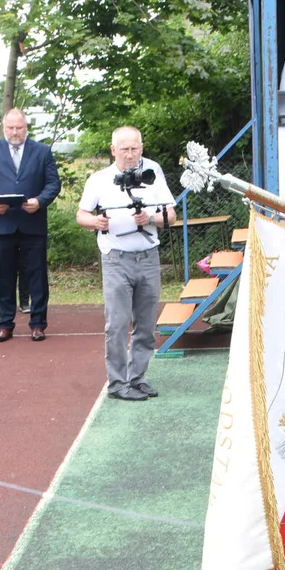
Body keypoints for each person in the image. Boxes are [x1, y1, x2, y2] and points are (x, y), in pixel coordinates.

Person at [77, 126, 176, 401]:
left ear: (141, 148)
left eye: (135, 148)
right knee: (118, 324)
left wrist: (151, 219)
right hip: (116, 259)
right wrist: (96, 222)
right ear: (113, 150)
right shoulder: (99, 179)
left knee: (145, 324)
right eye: (124, 149)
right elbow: (81, 215)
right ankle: (117, 383)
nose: (130, 154)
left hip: (148, 257)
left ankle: (138, 377)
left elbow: (171, 214)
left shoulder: (153, 172)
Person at [0, 108, 61, 342]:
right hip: (3, 224)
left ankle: (38, 324)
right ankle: (5, 324)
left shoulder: (42, 151)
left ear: (26, 128)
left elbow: (53, 184)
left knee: (37, 276)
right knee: (4, 277)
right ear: (4, 128)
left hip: (33, 224)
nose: (14, 132)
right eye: (10, 128)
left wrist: (40, 201)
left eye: (19, 127)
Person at [0, 204, 30, 313]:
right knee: (2, 272)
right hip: (0, 235)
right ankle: (2, 304)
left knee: (24, 268)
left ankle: (24, 302)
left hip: (21, 233)